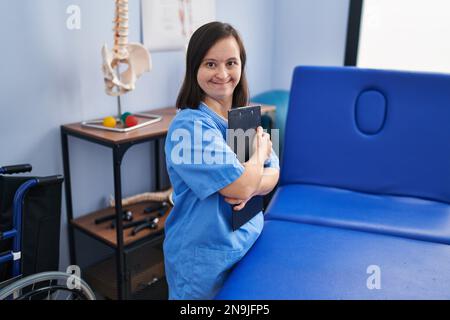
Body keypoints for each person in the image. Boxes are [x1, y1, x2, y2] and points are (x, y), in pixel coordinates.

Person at [164, 21, 280, 300]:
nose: (222, 73)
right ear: (195, 68)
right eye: (210, 64)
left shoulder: (243, 117)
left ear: (241, 66)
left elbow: (275, 174)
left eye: (231, 62)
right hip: (204, 262)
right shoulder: (188, 126)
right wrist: (259, 155)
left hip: (248, 243)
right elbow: (240, 187)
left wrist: (250, 183)